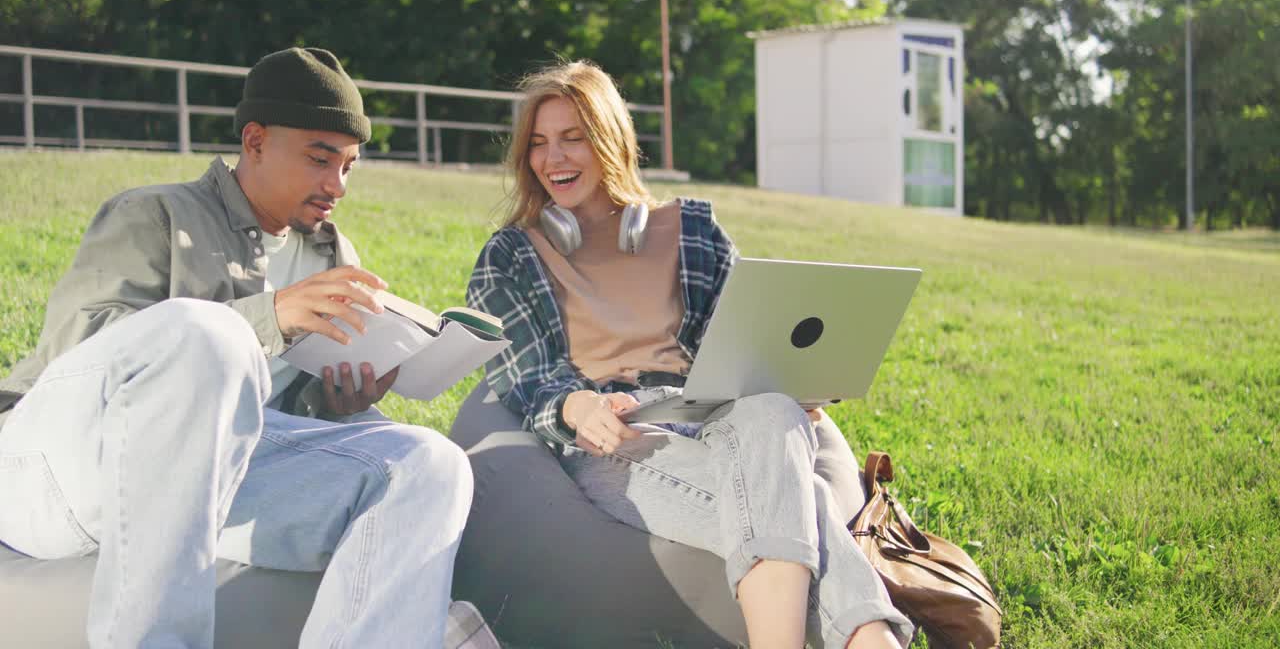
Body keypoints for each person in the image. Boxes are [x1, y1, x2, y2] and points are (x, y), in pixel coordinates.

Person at [0, 48, 497, 649]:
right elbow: (82, 359)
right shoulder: (155, 215)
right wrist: (268, 319)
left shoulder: (332, 255)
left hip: (218, 480)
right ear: (255, 141)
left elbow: (278, 421)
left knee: (426, 463)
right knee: (209, 335)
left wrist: (341, 401)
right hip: (62, 470)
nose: (336, 185)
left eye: (349, 166)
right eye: (320, 158)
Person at [466, 60, 914, 649]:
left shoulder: (692, 231)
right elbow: (522, 376)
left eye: (573, 138)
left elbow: (746, 338)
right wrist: (577, 409)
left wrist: (788, 379)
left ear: (611, 140)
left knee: (774, 412)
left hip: (714, 413)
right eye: (540, 144)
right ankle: (872, 639)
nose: (555, 159)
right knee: (806, 503)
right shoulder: (513, 254)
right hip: (620, 433)